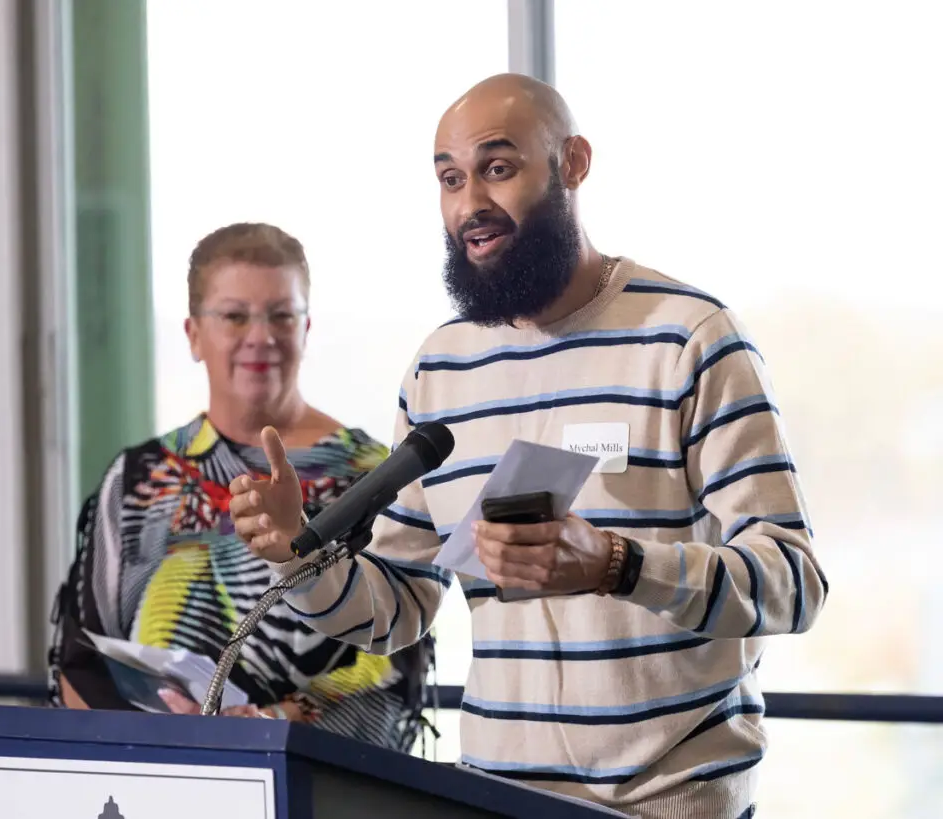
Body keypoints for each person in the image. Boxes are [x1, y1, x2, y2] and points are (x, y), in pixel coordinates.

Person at [227, 75, 827, 819]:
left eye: (497, 168)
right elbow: (398, 608)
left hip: (671, 803)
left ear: (573, 163)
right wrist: (299, 551)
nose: (469, 202)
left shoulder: (688, 337)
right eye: (449, 178)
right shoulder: (442, 367)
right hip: (495, 799)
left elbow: (792, 581)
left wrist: (617, 565)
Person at [48, 222, 431, 751]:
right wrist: (154, 742)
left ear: (306, 328)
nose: (261, 336)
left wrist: (268, 724)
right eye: (234, 316)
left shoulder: (374, 475)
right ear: (193, 335)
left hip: (321, 785)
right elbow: (79, 658)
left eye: (281, 314)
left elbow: (400, 667)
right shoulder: (138, 478)